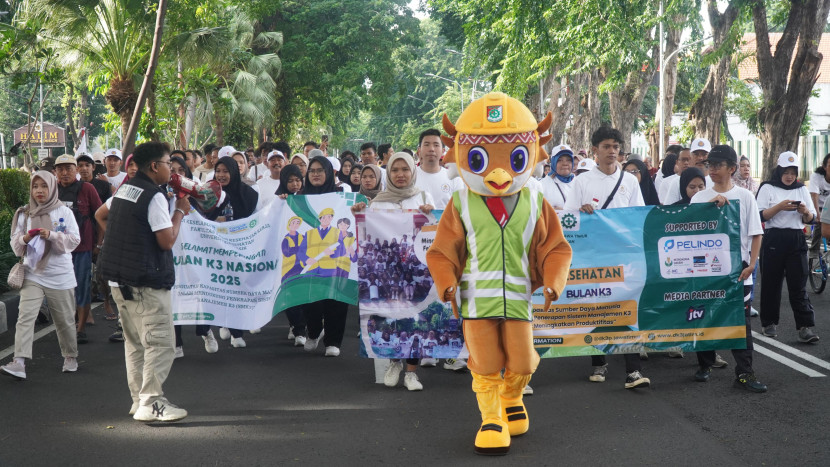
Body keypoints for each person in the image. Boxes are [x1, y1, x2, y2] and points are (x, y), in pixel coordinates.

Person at [98, 142, 191, 421]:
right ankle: (152, 402)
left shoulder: (126, 189)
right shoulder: (154, 196)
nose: (171, 170)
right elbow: (166, 241)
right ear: (154, 167)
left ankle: (138, 399)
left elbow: (101, 215)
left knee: (135, 343)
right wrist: (180, 211)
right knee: (161, 343)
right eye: (167, 164)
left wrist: (127, 242)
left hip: (118, 281)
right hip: (145, 283)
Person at [565, 126, 649, 390]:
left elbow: (638, 216)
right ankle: (598, 362)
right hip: (593, 258)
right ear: (595, 151)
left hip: (625, 257)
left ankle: (633, 371)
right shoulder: (582, 181)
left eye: (615, 147)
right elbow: (569, 220)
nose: (612, 152)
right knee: (596, 309)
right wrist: (581, 210)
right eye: (606, 147)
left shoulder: (630, 181)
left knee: (628, 309)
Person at [352, 152, 435, 390]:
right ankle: (394, 361)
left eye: (405, 169)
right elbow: (370, 233)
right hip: (389, 274)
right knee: (391, 317)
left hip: (418, 272)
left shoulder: (423, 196)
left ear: (412, 171)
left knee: (416, 318)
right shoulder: (378, 201)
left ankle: (411, 372)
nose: (400, 174)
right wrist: (360, 215)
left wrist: (430, 212)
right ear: (388, 173)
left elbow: (437, 228)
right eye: (395, 170)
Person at [690, 145, 767, 392]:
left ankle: (745, 373)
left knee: (740, 323)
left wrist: (752, 265)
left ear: (731, 169)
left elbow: (756, 234)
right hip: (704, 272)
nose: (712, 169)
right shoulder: (699, 197)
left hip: (738, 271)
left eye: (718, 165)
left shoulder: (745, 197)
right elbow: (688, 235)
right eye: (709, 165)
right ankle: (704, 364)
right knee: (703, 318)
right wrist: (708, 207)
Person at [2, 171, 81, 380]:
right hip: (32, 273)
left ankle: (70, 355)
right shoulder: (24, 214)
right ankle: (19, 361)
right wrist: (26, 238)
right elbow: (16, 245)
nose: (39, 191)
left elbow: (74, 241)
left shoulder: (64, 211)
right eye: (35, 186)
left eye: (44, 186)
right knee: (25, 317)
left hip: (60, 275)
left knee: (64, 319)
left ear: (52, 187)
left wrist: (52, 235)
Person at [756, 152, 819, 343]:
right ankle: (769, 323)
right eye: (786, 171)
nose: (789, 176)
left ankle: (805, 327)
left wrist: (805, 212)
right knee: (771, 284)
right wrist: (780, 207)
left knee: (798, 285)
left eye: (793, 172)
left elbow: (812, 218)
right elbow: (760, 215)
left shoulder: (801, 189)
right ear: (779, 170)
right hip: (774, 237)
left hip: (796, 238)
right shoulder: (767, 187)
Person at [299, 156, 350, 357]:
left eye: (320, 170)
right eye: (312, 171)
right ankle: (313, 332)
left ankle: (333, 340)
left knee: (335, 301)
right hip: (311, 268)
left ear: (329, 173)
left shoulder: (341, 197)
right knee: (309, 301)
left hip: (335, 266)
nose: (316, 174)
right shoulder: (299, 199)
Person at [207, 156, 260, 347]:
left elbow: (256, 220)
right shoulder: (208, 191)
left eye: (225, 171)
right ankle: (227, 324)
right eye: (218, 171)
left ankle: (237, 331)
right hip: (215, 249)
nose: (221, 175)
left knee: (238, 287)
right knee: (221, 288)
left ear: (234, 173)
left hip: (240, 248)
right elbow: (200, 215)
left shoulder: (248, 194)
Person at [54, 154, 103, 344]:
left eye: (69, 169)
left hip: (82, 247)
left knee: (82, 285)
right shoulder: (52, 190)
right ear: (55, 172)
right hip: (58, 249)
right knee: (62, 288)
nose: (65, 173)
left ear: (75, 171)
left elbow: (100, 216)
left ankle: (81, 328)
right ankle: (67, 324)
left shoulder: (87, 188)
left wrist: (98, 244)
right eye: (60, 169)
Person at [275, 164, 309, 347]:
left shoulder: (308, 201)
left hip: (303, 260)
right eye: (290, 181)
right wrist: (281, 202)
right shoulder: (279, 200)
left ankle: (301, 328)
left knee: (303, 293)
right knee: (289, 294)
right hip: (286, 260)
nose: (295, 184)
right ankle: (297, 328)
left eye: (298, 180)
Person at [414, 128, 462, 211]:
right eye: (426, 144)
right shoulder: (410, 177)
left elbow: (460, 208)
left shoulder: (454, 178)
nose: (431, 149)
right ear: (419, 150)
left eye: (436, 145)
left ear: (443, 151)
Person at [663, 140, 711, 205]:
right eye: (696, 154)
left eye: (704, 154)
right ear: (690, 158)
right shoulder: (677, 182)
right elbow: (670, 209)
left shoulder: (716, 182)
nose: (700, 158)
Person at [807, 153, 830, 260]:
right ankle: (814, 250)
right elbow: (814, 196)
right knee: (819, 225)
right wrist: (817, 214)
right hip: (818, 205)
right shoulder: (816, 177)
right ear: (824, 166)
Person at [540, 144, 575, 210]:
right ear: (553, 162)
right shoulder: (543, 185)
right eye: (560, 160)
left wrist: (563, 211)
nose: (565, 163)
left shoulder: (579, 182)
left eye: (568, 160)